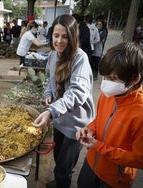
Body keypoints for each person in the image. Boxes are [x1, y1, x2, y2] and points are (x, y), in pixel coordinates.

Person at [32, 14, 95, 188]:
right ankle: (60, 181)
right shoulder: (53, 55)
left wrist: (51, 111)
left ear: (73, 37)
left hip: (76, 125)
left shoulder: (80, 59)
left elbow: (77, 93)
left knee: (63, 167)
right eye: (56, 35)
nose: (59, 41)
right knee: (58, 158)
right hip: (59, 119)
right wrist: (48, 94)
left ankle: (62, 183)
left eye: (65, 36)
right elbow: (48, 79)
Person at [76, 42, 143, 188]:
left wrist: (100, 147)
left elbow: (139, 159)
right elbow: (99, 120)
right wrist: (89, 129)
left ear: (135, 80)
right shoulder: (109, 94)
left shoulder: (140, 113)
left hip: (114, 178)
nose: (105, 83)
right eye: (104, 77)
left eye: (112, 79)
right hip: (91, 163)